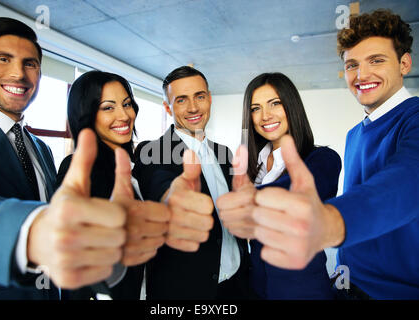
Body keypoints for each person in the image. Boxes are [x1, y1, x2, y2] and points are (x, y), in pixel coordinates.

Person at [225, 9, 418, 299]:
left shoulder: (413, 120)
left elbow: (406, 182)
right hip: (347, 286)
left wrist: (329, 222)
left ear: (404, 63)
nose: (362, 74)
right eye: (352, 65)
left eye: (376, 60)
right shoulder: (356, 134)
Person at [0, 17, 129, 299]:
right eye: (3, 59)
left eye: (30, 63)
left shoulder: (40, 148)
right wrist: (36, 233)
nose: (19, 74)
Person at [218, 72, 341, 299]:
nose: (265, 115)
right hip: (256, 288)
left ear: (291, 106)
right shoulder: (248, 167)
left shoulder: (323, 159)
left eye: (275, 103)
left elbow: (290, 196)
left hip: (303, 290)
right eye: (255, 108)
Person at [134, 66, 250, 299]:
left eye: (200, 96)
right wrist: (172, 199)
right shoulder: (152, 151)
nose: (193, 107)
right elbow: (159, 184)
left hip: (236, 285)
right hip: (186, 292)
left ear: (209, 99)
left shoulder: (224, 153)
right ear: (168, 107)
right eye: (181, 100)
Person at [55, 70, 170, 299]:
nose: (124, 115)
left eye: (127, 104)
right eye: (108, 107)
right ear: (86, 114)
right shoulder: (79, 168)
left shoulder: (133, 166)